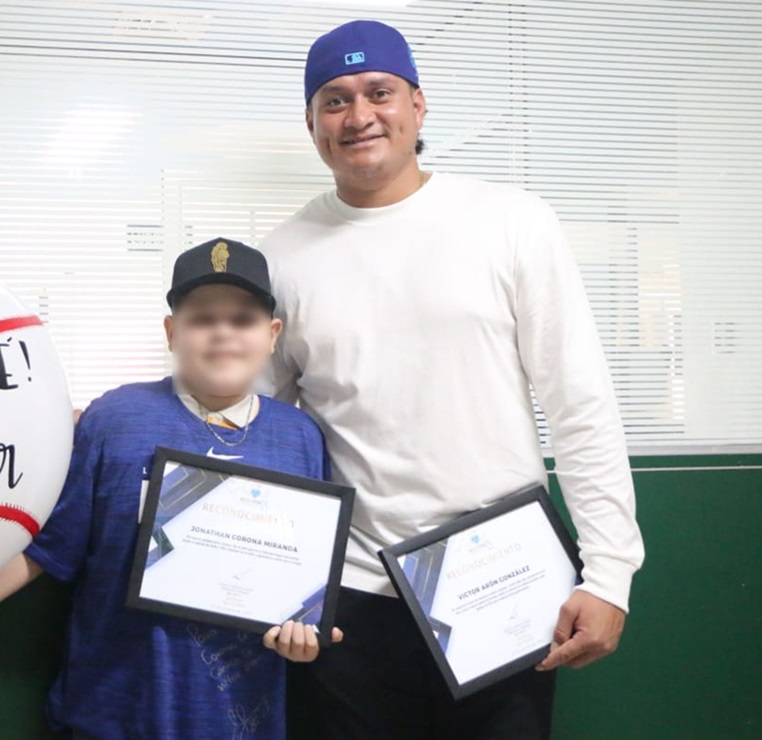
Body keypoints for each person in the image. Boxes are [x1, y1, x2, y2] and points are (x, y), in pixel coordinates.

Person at [259, 20, 646, 740]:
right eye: (334, 100)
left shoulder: (510, 222)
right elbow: (253, 426)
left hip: (502, 583)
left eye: (378, 92)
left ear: (417, 104)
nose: (359, 115)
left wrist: (609, 573)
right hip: (352, 599)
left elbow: (580, 405)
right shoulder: (279, 258)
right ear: (310, 122)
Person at [0, 238, 340, 739]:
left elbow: (304, 584)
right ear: (171, 332)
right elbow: (53, 546)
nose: (222, 333)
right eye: (202, 318)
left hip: (238, 714)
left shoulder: (299, 436)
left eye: (242, 319)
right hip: (115, 707)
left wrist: (308, 635)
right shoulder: (116, 417)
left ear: (272, 335)